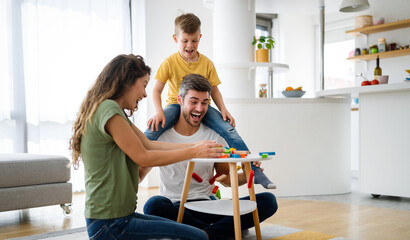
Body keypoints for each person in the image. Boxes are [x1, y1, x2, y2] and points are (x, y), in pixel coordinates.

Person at [69, 54, 225, 240]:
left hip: (120, 219)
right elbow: (142, 156)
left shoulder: (112, 111)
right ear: (127, 81)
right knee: (198, 238)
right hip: (110, 224)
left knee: (197, 234)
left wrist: (196, 145)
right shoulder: (109, 111)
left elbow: (148, 144)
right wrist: (193, 151)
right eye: (143, 85)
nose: (144, 94)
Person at [145, 12, 275, 189]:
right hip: (176, 106)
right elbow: (156, 89)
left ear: (200, 38)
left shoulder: (206, 63)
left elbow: (214, 90)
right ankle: (128, 160)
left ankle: (254, 170)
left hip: (204, 106)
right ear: (176, 39)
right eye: (185, 41)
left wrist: (223, 109)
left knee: (228, 129)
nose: (190, 45)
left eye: (194, 40)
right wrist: (159, 111)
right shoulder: (169, 62)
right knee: (152, 130)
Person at [143, 74, 278, 240]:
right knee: (153, 205)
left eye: (204, 102)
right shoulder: (163, 136)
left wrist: (248, 174)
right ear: (180, 100)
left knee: (268, 201)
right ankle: (221, 230)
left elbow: (225, 179)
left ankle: (205, 233)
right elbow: (142, 167)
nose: (199, 109)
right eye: (193, 101)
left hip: (208, 204)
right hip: (176, 206)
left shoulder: (214, 135)